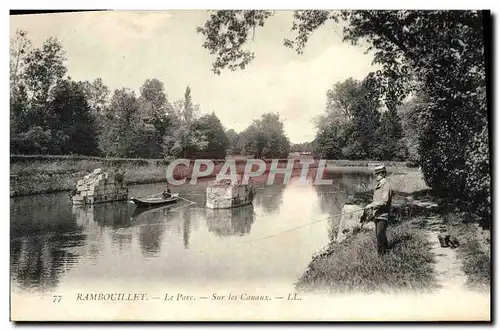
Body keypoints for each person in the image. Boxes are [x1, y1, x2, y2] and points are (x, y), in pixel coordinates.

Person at [364, 164, 393, 256]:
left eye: (379, 173)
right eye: (376, 173)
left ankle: (381, 257)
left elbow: (384, 201)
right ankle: (386, 255)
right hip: (377, 215)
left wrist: (371, 205)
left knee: (380, 237)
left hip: (383, 215)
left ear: (384, 174)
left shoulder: (386, 185)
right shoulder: (379, 185)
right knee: (380, 236)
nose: (377, 175)